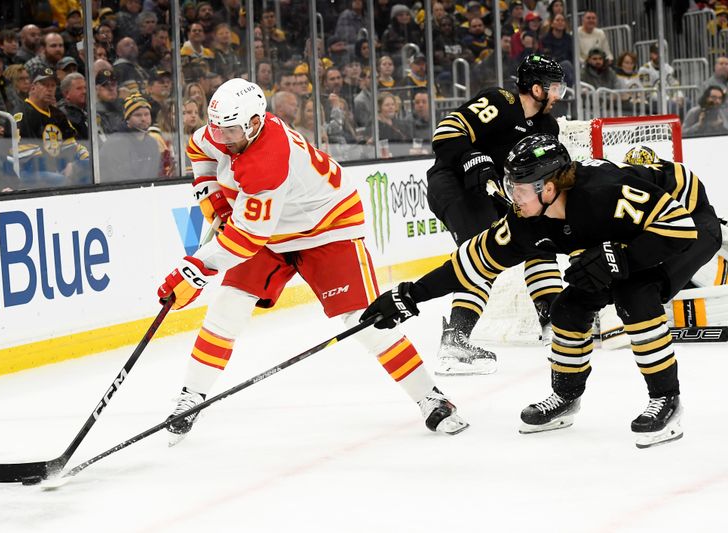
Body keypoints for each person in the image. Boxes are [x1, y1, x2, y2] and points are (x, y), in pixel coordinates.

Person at [157, 78, 467, 445]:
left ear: (255, 122)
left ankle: (429, 396)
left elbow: (247, 239)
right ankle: (191, 397)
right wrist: (216, 204)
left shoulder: (267, 159)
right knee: (228, 306)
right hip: (271, 229)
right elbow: (200, 152)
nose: (223, 139)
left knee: (364, 319)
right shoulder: (223, 131)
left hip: (327, 227)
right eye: (218, 129)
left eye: (232, 131)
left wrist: (194, 270)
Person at [361, 138, 722, 449]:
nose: (511, 195)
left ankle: (666, 399)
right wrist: (408, 296)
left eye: (518, 187)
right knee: (567, 309)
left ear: (548, 188)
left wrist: (621, 258)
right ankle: (566, 396)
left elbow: (678, 229)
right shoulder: (525, 221)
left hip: (689, 221)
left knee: (633, 295)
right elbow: (469, 265)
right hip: (626, 234)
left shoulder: (603, 192)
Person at [425, 54, 565, 375]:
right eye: (554, 88)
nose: (558, 95)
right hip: (455, 184)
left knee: (538, 240)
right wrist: (471, 155)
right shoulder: (499, 101)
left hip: (497, 195)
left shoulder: (547, 126)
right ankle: (455, 339)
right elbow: (447, 131)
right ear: (536, 88)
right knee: (483, 253)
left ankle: (553, 321)